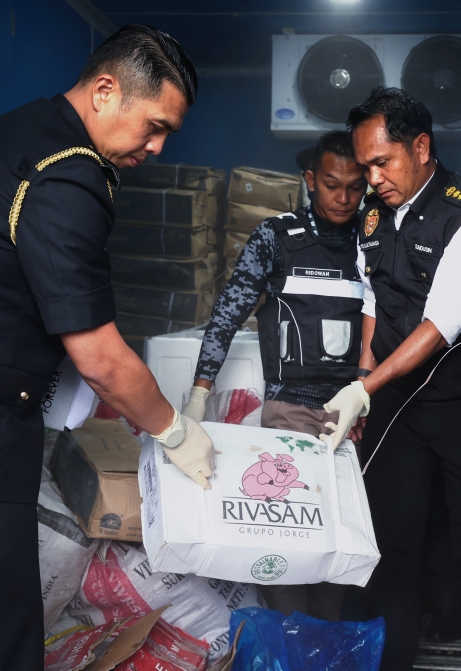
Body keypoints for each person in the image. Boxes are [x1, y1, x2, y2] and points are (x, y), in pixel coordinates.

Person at [0, 25, 215, 671]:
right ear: (105, 90)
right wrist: (176, 431)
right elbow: (99, 358)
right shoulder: (68, 177)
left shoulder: (19, 131)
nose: (156, 147)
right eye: (154, 126)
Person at [321, 87, 461, 670]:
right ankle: (381, 661)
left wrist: (360, 390)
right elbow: (376, 300)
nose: (371, 179)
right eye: (364, 164)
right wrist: (366, 385)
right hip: (395, 401)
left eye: (381, 162)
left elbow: (440, 322)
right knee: (389, 541)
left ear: (421, 148)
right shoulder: (374, 214)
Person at [182, 130, 368, 620]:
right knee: (291, 554)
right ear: (309, 180)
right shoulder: (276, 238)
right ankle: (288, 646)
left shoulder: (374, 240)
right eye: (332, 184)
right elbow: (227, 313)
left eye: (355, 186)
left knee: (342, 560)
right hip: (291, 415)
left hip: (360, 419)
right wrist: (199, 395)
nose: (344, 197)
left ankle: (323, 647)